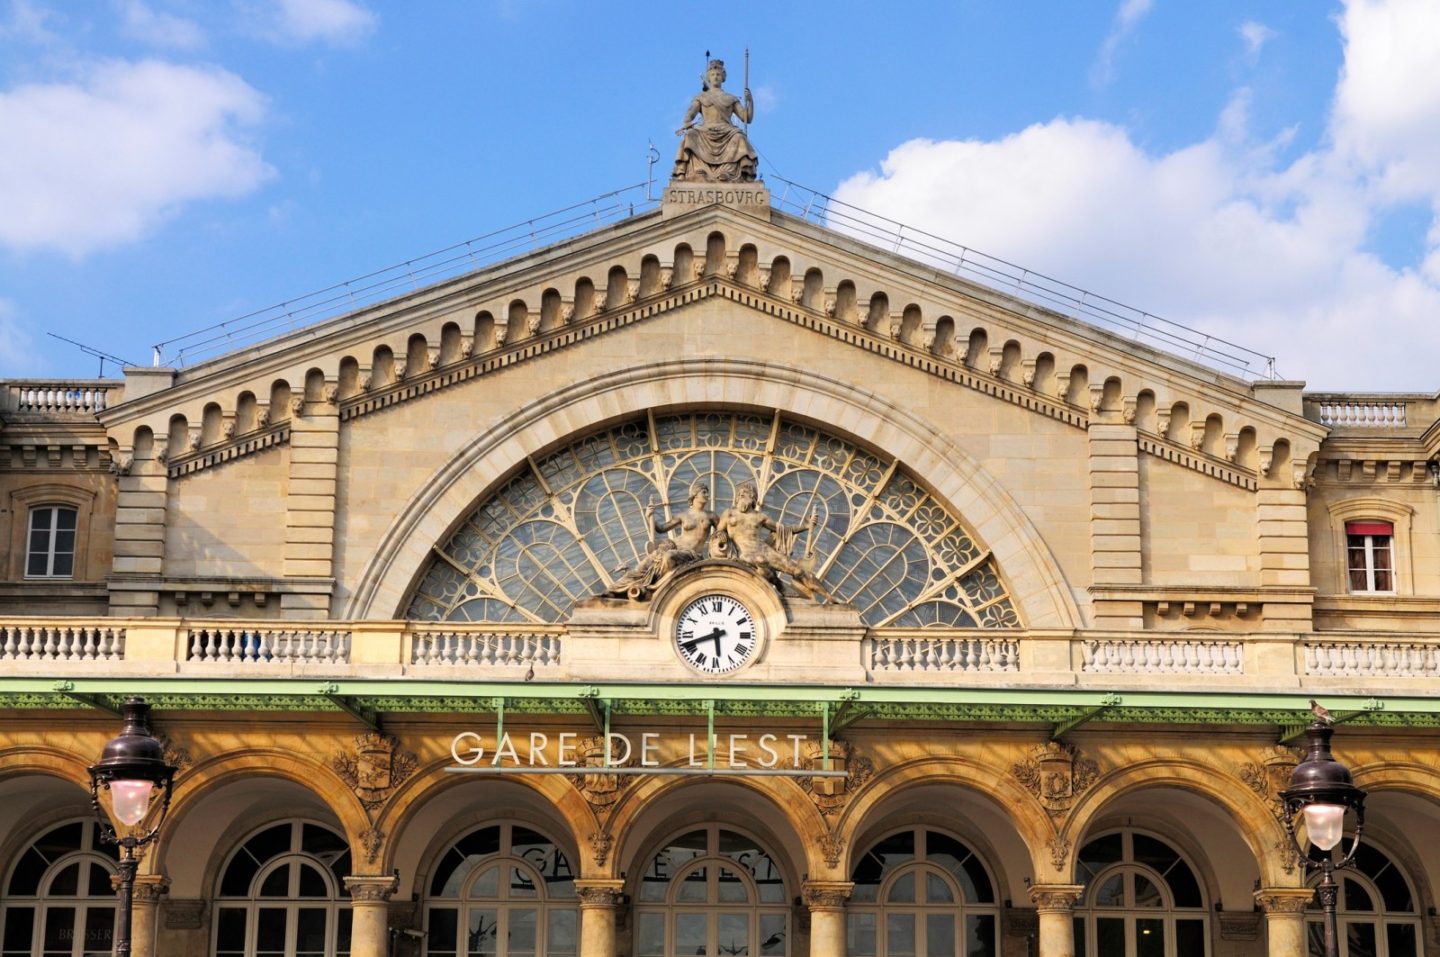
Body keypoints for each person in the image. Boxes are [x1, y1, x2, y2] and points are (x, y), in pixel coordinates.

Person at [712, 482, 832, 602]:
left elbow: (783, 529)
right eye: (740, 493)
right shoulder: (729, 513)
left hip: (763, 549)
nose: (742, 494)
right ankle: (779, 585)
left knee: (798, 570)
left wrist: (807, 526)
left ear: (753, 497)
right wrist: (721, 537)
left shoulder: (760, 517)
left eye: (746, 493)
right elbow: (718, 533)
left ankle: (828, 596)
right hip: (742, 551)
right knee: (760, 561)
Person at [606, 482, 717, 600]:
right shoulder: (683, 515)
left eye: (707, 492)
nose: (707, 495)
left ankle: (651, 587)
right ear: (695, 495)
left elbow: (720, 534)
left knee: (668, 557)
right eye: (704, 492)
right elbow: (661, 528)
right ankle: (614, 590)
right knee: (642, 567)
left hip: (691, 554)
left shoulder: (711, 516)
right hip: (671, 545)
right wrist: (649, 517)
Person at [673, 59, 757, 183]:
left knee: (739, 137)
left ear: (723, 77)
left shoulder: (731, 98)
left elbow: (747, 118)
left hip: (727, 131)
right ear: (709, 78)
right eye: (712, 75)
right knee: (691, 135)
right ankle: (698, 170)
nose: (715, 77)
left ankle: (727, 171)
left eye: (718, 74)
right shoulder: (701, 97)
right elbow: (689, 116)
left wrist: (750, 101)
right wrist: (687, 123)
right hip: (705, 129)